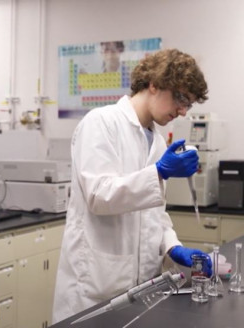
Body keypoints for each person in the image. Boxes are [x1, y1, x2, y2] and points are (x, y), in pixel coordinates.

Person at [52, 49, 212, 323]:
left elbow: (155, 213)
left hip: (143, 288)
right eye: (181, 98)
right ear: (154, 84)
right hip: (95, 288)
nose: (183, 111)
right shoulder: (101, 122)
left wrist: (172, 246)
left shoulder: (158, 141)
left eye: (190, 104)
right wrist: (159, 173)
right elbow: (99, 195)